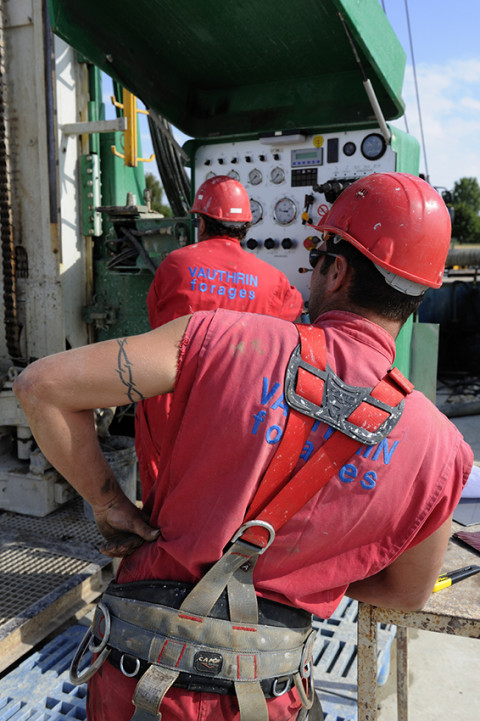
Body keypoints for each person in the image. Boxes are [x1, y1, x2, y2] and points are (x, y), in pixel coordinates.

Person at [14, 172, 473, 721]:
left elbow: (42, 386)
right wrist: (312, 569)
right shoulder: (444, 451)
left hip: (137, 678)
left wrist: (109, 501)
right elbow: (404, 594)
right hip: (264, 695)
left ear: (337, 268)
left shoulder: (216, 335)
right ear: (420, 291)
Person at [136, 174, 304, 498]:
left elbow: (157, 319)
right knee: (223, 493)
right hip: (235, 406)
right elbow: (293, 311)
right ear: (245, 227)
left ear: (201, 222)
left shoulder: (175, 265)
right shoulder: (272, 279)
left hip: (169, 401)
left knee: (161, 496)